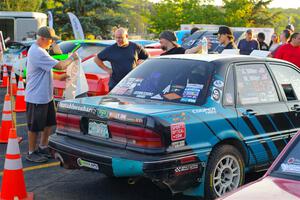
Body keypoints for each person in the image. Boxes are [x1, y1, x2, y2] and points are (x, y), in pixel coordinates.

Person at [25, 26, 79, 163]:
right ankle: (31, 152)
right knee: (35, 126)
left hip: (46, 96)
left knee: (49, 123)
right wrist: (72, 57)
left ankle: (43, 146)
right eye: (51, 40)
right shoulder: (37, 52)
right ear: (42, 38)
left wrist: (58, 78)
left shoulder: (41, 49)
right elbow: (60, 65)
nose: (52, 43)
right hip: (37, 97)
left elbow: (44, 70)